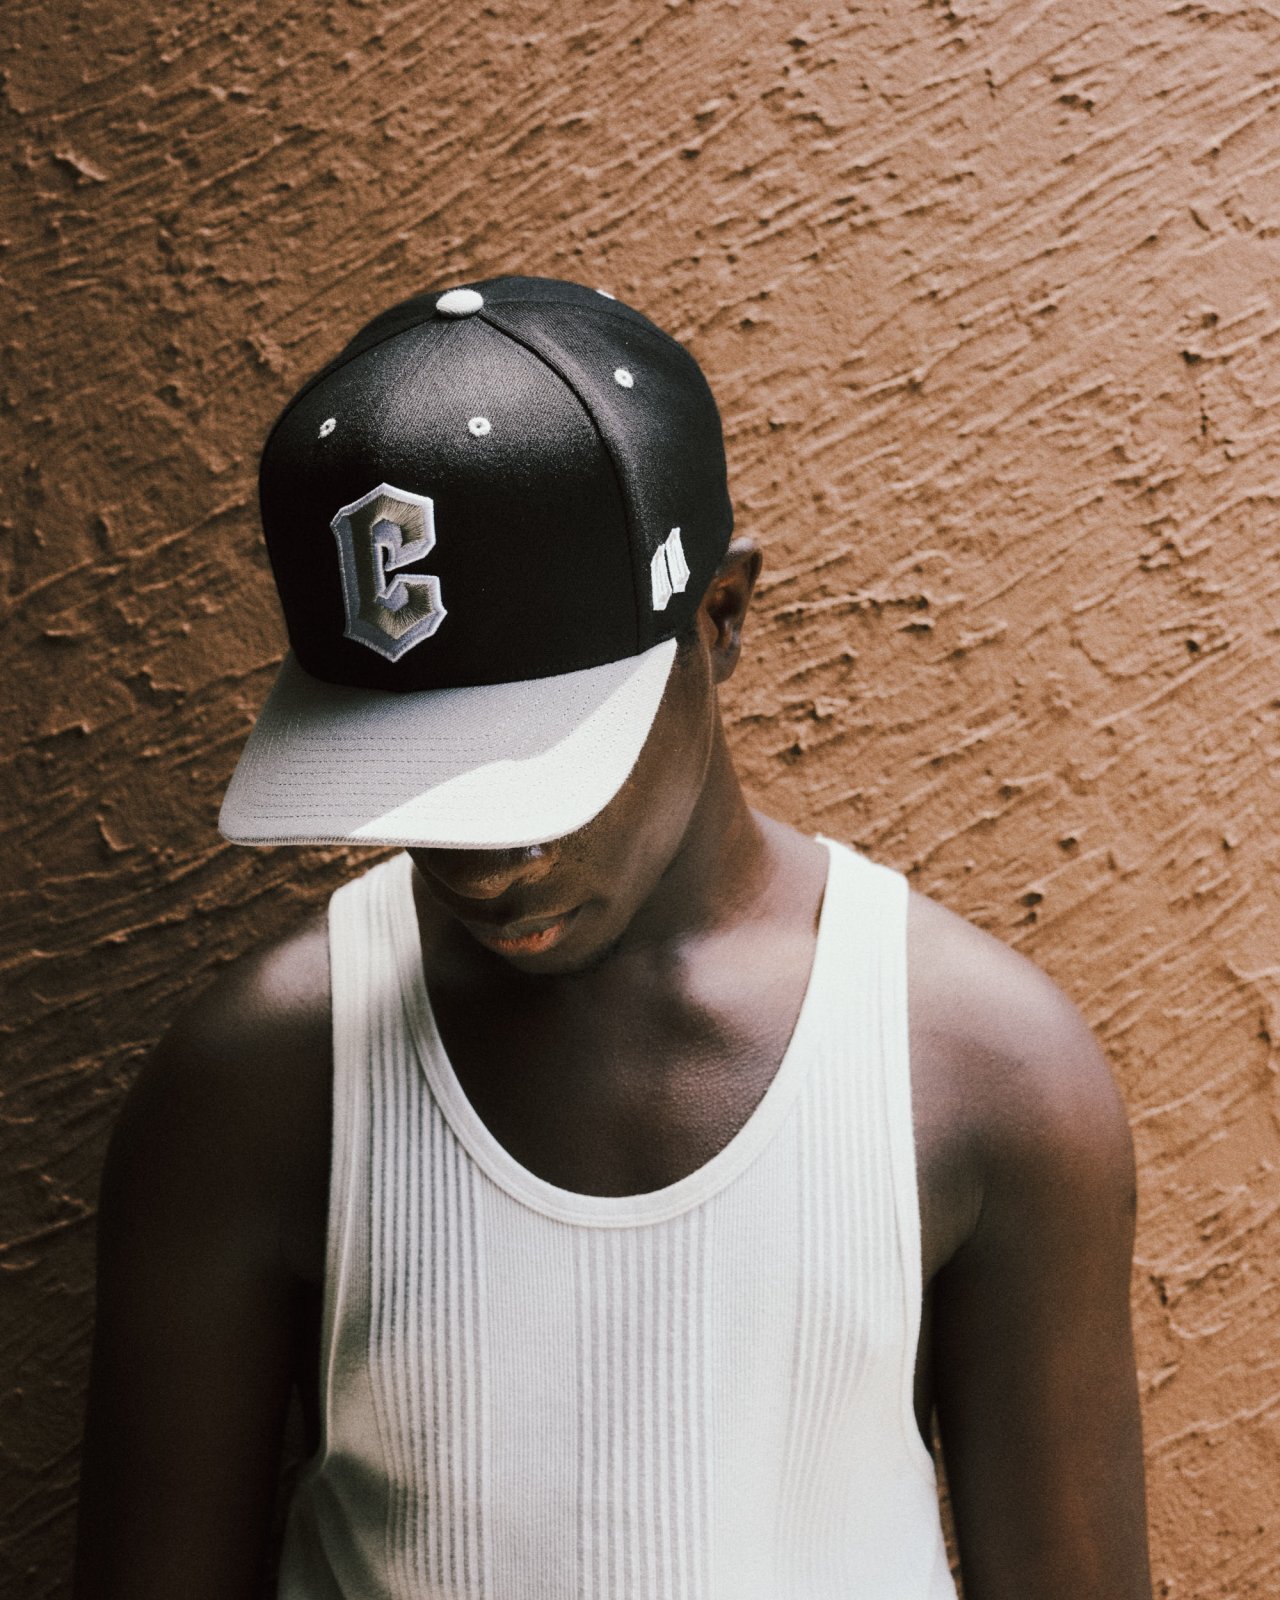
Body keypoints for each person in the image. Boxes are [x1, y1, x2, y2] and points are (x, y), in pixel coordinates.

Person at [73, 276, 1152, 1600]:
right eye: (412, 778)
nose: (484, 859)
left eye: (538, 768)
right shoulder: (260, 1085)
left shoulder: (983, 1075)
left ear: (721, 617)